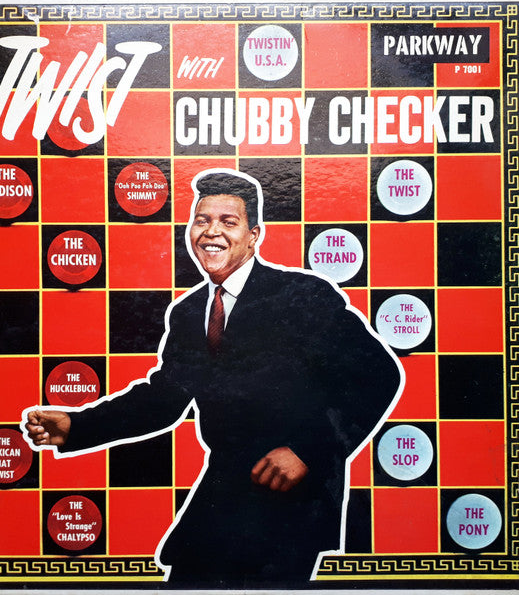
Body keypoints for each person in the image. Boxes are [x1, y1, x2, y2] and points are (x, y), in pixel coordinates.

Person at [23, 168, 403, 587]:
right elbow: (163, 399)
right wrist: (78, 425)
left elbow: (379, 375)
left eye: (228, 221)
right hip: (225, 487)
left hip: (292, 498)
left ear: (254, 235)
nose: (211, 232)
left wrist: (308, 451)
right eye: (202, 220)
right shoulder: (188, 312)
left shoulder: (303, 294)